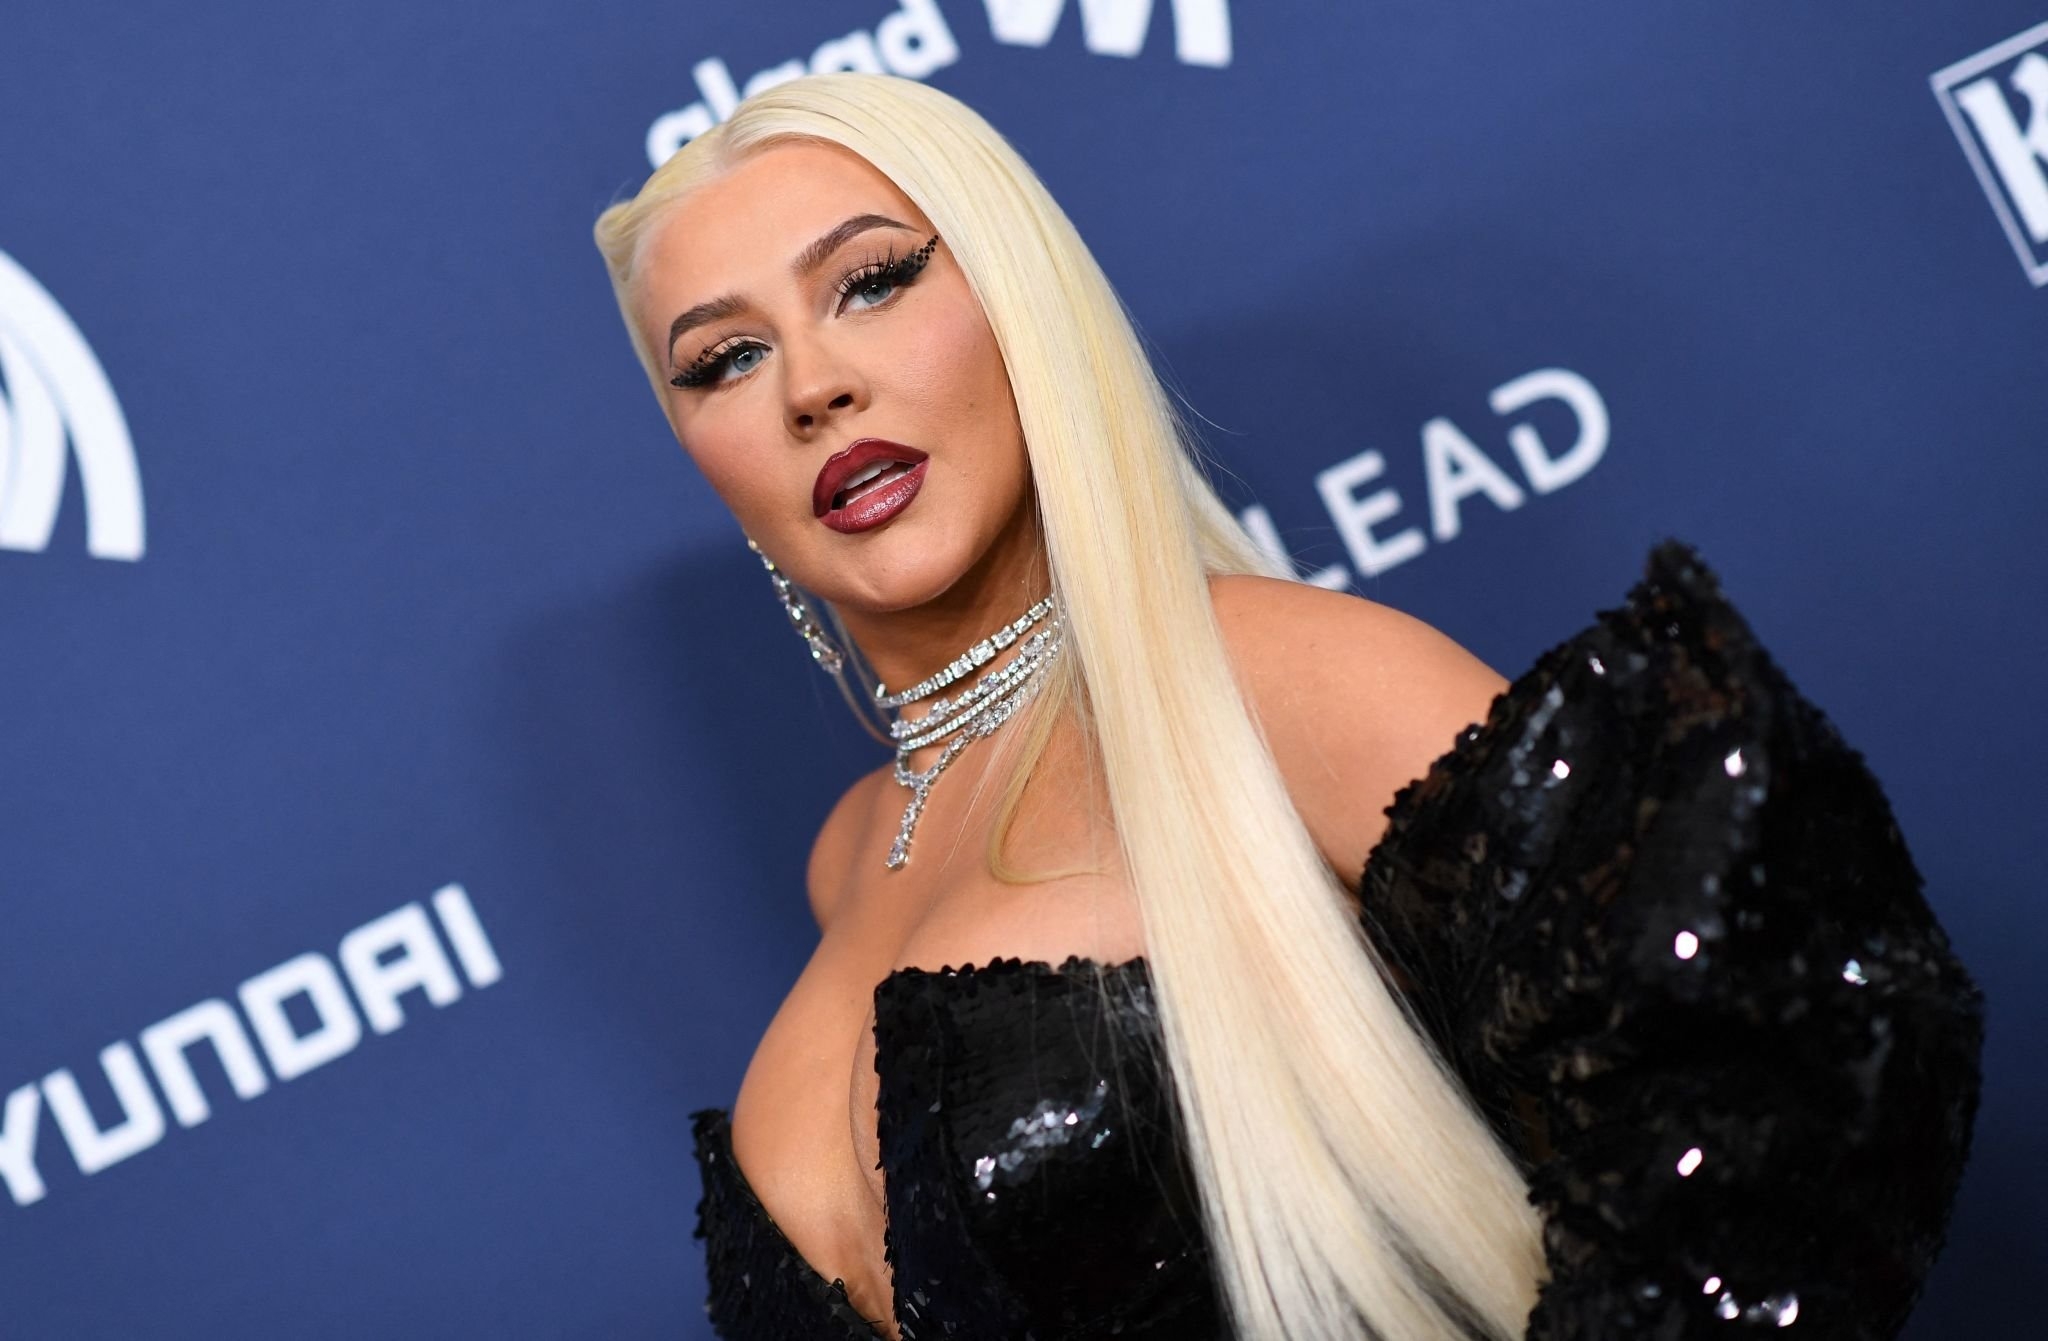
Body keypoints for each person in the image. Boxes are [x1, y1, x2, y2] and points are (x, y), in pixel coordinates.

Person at [592, 73, 1982, 1341]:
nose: (814, 387)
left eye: (871, 282)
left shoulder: (1268, 678)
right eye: (723, 361)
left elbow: (1789, 1070)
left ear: (1023, 302)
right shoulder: (851, 855)